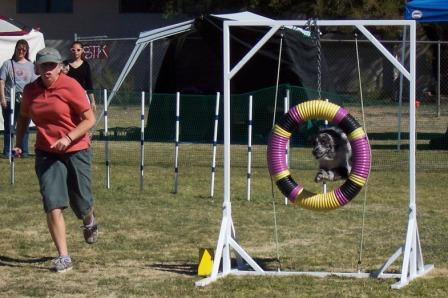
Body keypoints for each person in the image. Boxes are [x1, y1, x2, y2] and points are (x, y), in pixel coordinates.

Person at [14, 47, 98, 273]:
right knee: (53, 202)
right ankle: (64, 256)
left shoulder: (71, 86)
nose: (49, 70)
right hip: (46, 151)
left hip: (76, 148)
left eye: (53, 65)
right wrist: (18, 142)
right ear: (37, 68)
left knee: (80, 201)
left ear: (60, 67)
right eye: (44, 66)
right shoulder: (31, 91)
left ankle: (89, 219)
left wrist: (68, 138)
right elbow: (22, 118)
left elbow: (90, 119)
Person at [0, 39, 38, 158]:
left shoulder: (30, 65)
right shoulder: (7, 64)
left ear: (26, 51)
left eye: (24, 49)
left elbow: (34, 84)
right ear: (15, 49)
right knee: (9, 127)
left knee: (25, 127)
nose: (21, 51)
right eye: (19, 49)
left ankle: (24, 151)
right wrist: (2, 99)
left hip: (25, 101)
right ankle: (7, 151)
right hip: (9, 100)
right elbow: (1, 82)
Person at [63, 41, 96, 112]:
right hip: (67, 96)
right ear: (70, 50)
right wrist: (63, 73)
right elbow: (58, 81)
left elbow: (89, 84)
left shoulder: (86, 65)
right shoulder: (64, 64)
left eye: (78, 50)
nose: (76, 52)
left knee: (84, 118)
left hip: (81, 96)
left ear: (82, 50)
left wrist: (92, 102)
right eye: (73, 50)